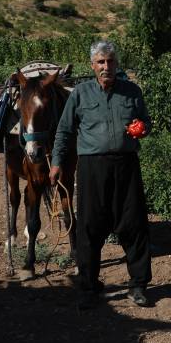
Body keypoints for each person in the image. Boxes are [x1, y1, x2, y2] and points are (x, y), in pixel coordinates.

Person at [50, 41, 152, 310]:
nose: (106, 67)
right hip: (91, 167)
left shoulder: (132, 91)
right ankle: (88, 285)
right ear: (92, 66)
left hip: (126, 164)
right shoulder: (81, 94)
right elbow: (64, 131)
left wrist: (142, 129)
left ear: (116, 64)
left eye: (110, 61)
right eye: (101, 62)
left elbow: (146, 122)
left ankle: (138, 285)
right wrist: (57, 162)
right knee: (89, 226)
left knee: (134, 223)